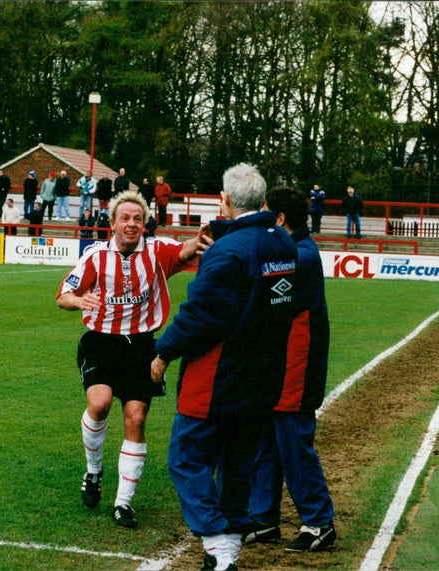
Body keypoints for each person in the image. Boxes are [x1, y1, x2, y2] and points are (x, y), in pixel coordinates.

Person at [150, 163, 298, 571]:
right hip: (264, 374)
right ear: (264, 201)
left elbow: (200, 314)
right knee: (238, 464)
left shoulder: (228, 251)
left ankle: (216, 542)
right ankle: (225, 557)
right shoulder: (283, 243)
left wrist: (163, 352)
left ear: (226, 201)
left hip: (218, 376)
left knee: (187, 458)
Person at [57, 190, 211, 530]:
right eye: (125, 218)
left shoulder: (157, 251)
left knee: (136, 418)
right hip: (100, 343)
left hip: (141, 346)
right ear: (112, 223)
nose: (131, 224)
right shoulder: (96, 257)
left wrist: (197, 241)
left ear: (144, 224)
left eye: (137, 219)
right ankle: (94, 471)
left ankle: (123, 503)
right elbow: (63, 295)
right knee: (100, 404)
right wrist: (79, 302)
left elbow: (183, 252)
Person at [242, 186, 335, 553]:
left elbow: (256, 284)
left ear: (279, 219)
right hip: (278, 362)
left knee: (293, 442)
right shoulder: (293, 250)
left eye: (265, 214)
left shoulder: (300, 256)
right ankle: (263, 519)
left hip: (298, 364)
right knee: (268, 437)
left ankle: (319, 522)